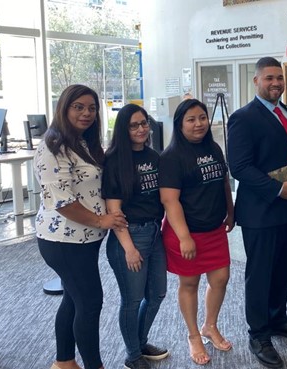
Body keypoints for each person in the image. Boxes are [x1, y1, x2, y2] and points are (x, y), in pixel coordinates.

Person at [34, 84, 128, 369]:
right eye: (79, 107)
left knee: (74, 300)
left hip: (83, 239)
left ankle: (64, 362)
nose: (86, 113)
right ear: (64, 108)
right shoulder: (53, 146)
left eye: (91, 107)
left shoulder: (83, 142)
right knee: (90, 303)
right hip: (63, 240)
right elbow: (62, 201)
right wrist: (102, 220)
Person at [227, 56, 287, 369]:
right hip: (261, 211)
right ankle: (259, 333)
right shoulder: (242, 117)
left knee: (284, 268)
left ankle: (277, 319)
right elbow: (239, 166)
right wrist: (276, 189)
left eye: (280, 78)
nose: (276, 83)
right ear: (256, 81)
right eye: (269, 78)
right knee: (260, 274)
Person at [158, 98, 235, 366]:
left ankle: (209, 326)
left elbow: (223, 181)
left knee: (221, 278)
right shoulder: (171, 157)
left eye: (202, 117)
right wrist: (184, 237)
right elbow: (170, 200)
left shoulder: (213, 147)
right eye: (191, 119)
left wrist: (231, 210)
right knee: (189, 284)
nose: (198, 123)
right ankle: (194, 335)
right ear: (179, 125)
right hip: (186, 232)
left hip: (214, 229)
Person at [102, 104, 169, 369]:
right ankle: (132, 355)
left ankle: (140, 342)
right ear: (123, 129)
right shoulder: (116, 160)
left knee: (157, 295)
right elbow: (113, 210)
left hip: (154, 233)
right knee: (131, 300)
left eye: (144, 123)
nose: (141, 129)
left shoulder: (154, 156)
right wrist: (129, 248)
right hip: (129, 238)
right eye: (134, 125)